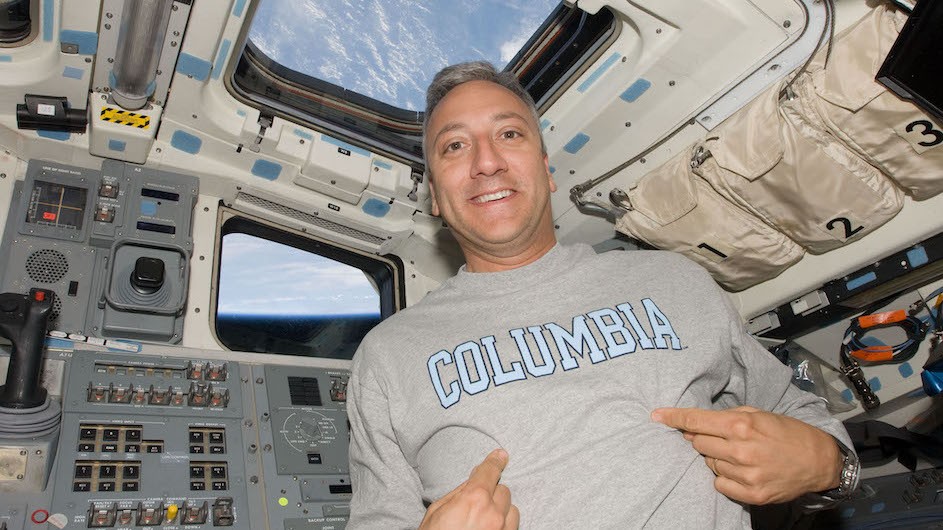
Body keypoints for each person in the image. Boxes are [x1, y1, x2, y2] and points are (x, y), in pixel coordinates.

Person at [346, 60, 858, 529]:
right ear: (435, 195)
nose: (486, 162)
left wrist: (832, 465)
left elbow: (793, 410)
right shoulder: (387, 356)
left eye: (508, 133)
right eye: (454, 146)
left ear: (546, 172)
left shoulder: (675, 280)